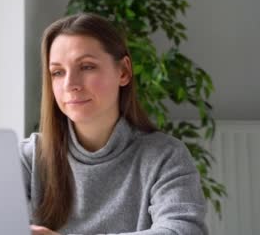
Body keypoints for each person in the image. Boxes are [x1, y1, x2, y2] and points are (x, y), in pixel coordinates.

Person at [21, 13, 208, 235]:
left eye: (87, 67)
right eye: (58, 72)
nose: (71, 84)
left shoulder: (165, 156)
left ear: (124, 71)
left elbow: (184, 230)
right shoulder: (28, 159)